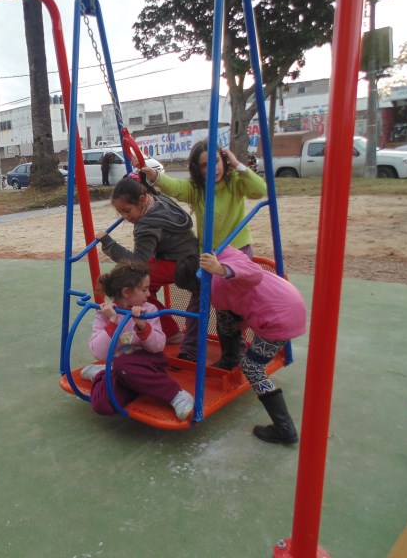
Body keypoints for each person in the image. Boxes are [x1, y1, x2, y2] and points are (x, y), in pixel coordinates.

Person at [143, 140, 267, 367]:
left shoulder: (235, 183)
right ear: (197, 169)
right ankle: (190, 349)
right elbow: (175, 187)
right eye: (204, 165)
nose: (212, 169)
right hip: (209, 256)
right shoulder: (197, 190)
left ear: (224, 161)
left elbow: (260, 190)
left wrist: (238, 164)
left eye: (216, 161)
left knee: (230, 307)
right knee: (197, 303)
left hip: (236, 254)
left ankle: (235, 354)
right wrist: (154, 176)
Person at [174, 247, 306, 443]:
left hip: (280, 319)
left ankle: (284, 427)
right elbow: (237, 310)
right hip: (287, 301)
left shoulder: (217, 286)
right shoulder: (225, 253)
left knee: (252, 368)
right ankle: (230, 359)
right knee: (225, 317)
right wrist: (220, 268)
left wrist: (221, 270)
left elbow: (254, 274)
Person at [81, 261, 194, 421]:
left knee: (123, 365)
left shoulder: (149, 310)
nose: (148, 294)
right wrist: (112, 322)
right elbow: (99, 353)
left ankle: (176, 395)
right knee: (102, 405)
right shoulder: (104, 314)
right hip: (119, 369)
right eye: (144, 289)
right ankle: (102, 372)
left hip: (149, 364)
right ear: (127, 292)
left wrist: (143, 326)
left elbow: (158, 347)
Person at [94, 172, 198, 344]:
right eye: (120, 212)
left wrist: (108, 243)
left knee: (135, 285)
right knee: (140, 285)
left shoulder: (147, 226)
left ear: (142, 200)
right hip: (189, 253)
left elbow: (137, 262)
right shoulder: (158, 200)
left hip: (182, 263)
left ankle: (170, 332)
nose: (125, 216)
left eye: (127, 210)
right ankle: (151, 323)